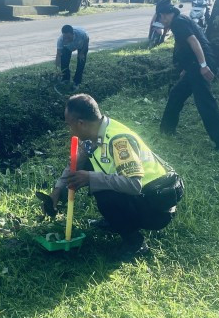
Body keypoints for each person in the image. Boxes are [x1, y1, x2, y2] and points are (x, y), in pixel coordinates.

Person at [42, 94, 183, 259]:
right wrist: (58, 190)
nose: (70, 130)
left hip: (156, 205)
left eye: (70, 125)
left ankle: (135, 243)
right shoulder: (92, 137)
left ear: (81, 123)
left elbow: (133, 185)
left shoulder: (119, 141)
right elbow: (75, 165)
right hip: (142, 196)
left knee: (104, 193)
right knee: (93, 175)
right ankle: (116, 221)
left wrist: (91, 178)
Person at [156, 0, 219, 152]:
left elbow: (194, 42)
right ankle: (166, 130)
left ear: (164, 15)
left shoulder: (179, 23)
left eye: (160, 18)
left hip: (199, 65)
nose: (160, 21)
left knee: (205, 103)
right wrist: (186, 68)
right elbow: (185, 47)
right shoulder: (180, 20)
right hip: (194, 66)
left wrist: (203, 66)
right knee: (176, 94)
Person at [55, 25, 90, 89]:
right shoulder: (61, 40)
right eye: (65, 37)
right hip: (68, 47)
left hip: (81, 45)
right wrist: (57, 68)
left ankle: (77, 82)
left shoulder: (81, 34)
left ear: (73, 34)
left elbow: (86, 40)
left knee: (81, 62)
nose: (66, 39)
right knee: (64, 61)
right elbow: (58, 54)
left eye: (68, 37)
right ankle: (65, 79)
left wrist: (82, 52)